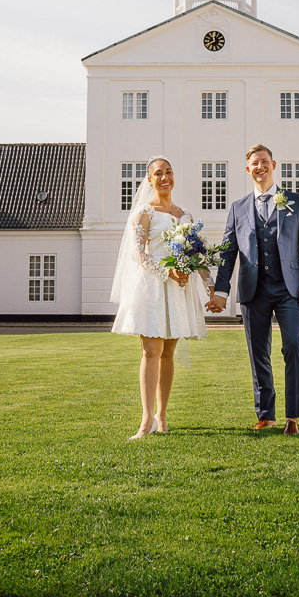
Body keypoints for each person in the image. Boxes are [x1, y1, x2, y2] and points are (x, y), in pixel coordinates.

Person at [208, 144, 299, 436]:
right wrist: (221, 291)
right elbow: (228, 253)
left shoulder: (296, 201)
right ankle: (265, 414)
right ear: (248, 170)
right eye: (255, 163)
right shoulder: (238, 207)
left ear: (273, 165)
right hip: (252, 290)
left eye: (264, 162)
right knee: (258, 353)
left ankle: (293, 416)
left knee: (293, 345)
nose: (260, 167)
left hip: (290, 290)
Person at [111, 156, 214, 440]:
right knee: (151, 351)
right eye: (159, 173)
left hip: (178, 289)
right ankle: (145, 420)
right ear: (150, 179)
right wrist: (166, 271)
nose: (165, 177)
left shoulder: (186, 216)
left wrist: (210, 287)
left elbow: (198, 256)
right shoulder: (144, 213)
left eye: (169, 172)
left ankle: (163, 416)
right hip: (153, 286)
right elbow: (139, 254)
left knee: (169, 352)